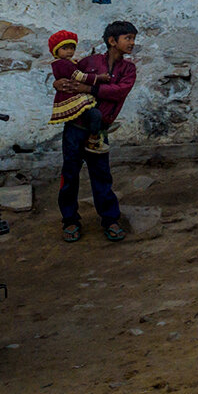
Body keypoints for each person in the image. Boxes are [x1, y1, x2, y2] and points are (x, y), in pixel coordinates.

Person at [53, 21, 139, 243]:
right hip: (74, 127)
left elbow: (119, 92)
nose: (132, 43)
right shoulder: (88, 62)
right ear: (112, 41)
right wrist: (58, 84)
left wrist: (89, 88)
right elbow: (68, 78)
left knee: (101, 175)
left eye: (133, 38)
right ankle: (70, 220)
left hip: (99, 130)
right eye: (127, 38)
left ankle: (110, 220)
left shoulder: (129, 69)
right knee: (70, 174)